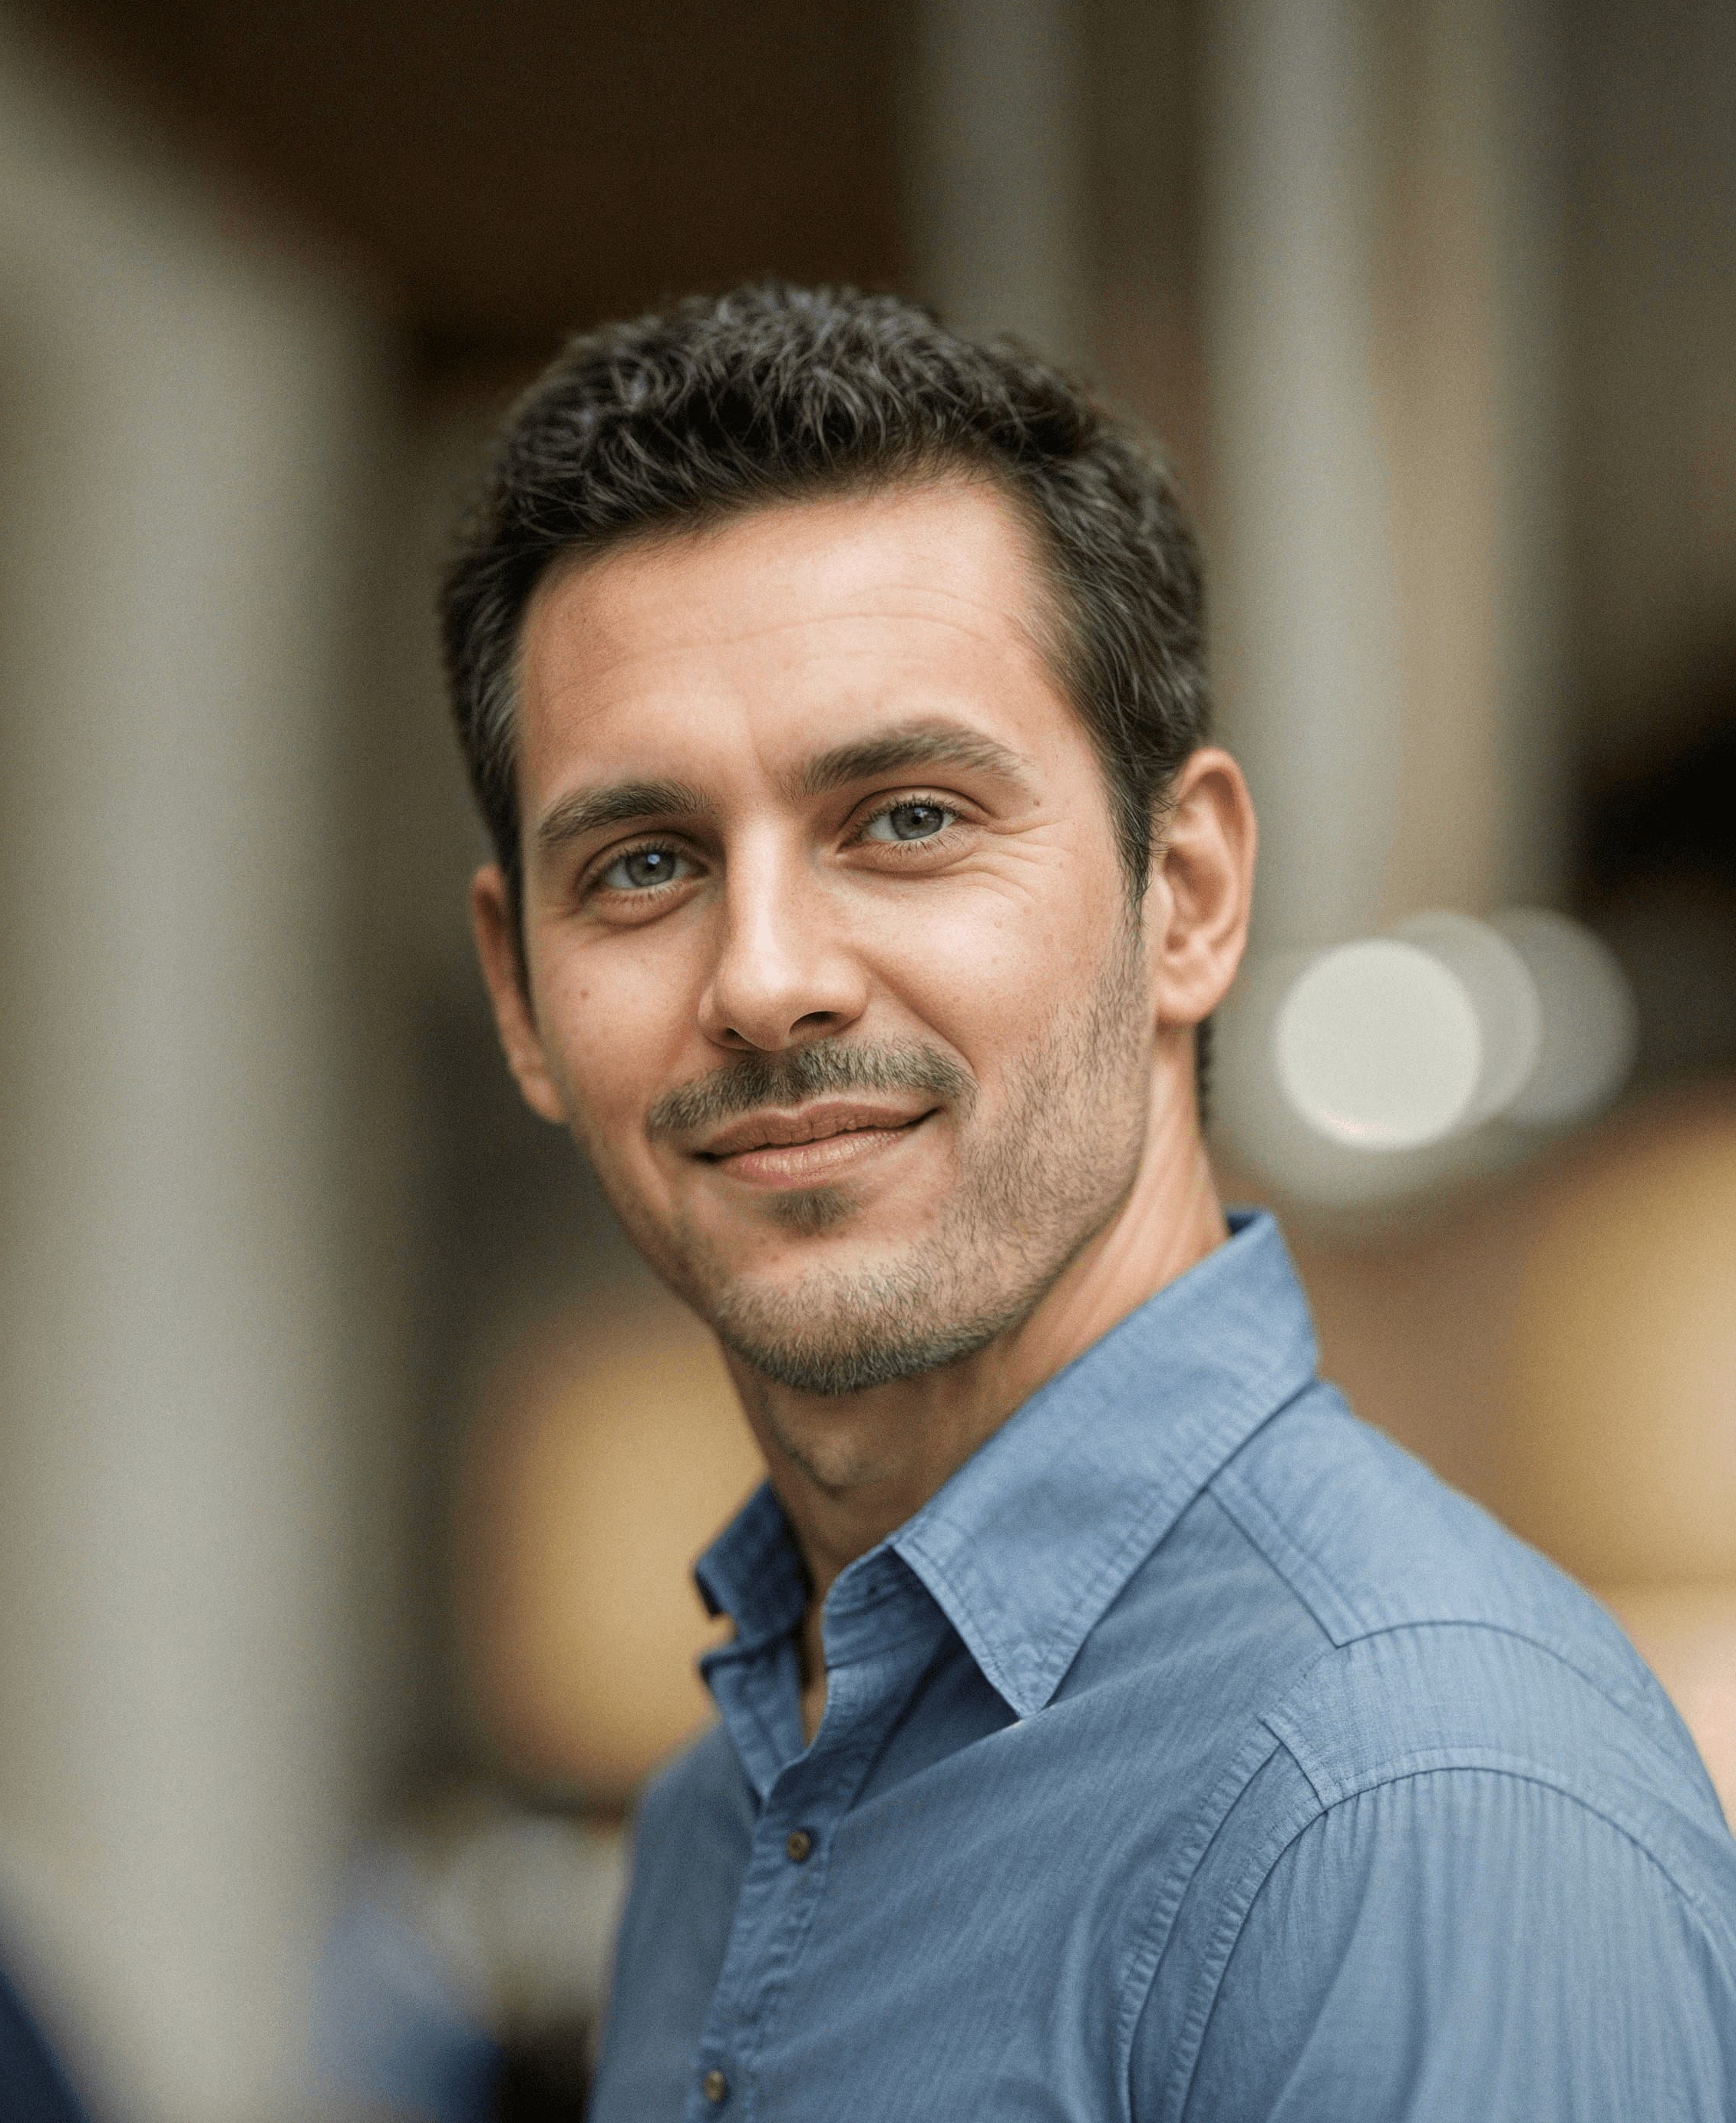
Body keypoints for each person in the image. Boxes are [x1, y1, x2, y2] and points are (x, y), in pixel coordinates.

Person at [443, 283, 1736, 2121]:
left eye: (904, 817)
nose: (766, 978)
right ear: (523, 998)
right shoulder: (714, 1826)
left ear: (1187, 894)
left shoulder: (1412, 1801)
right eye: (644, 864)